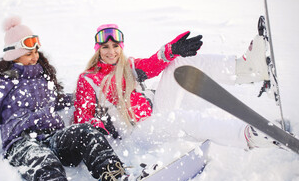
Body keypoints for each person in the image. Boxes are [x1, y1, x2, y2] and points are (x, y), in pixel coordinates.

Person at [0, 17, 135, 181]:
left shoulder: (43, 77)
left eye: (36, 51)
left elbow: (58, 100)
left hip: (53, 137)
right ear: (14, 56)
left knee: (86, 132)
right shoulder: (0, 84)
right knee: (44, 161)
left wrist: (90, 95)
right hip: (21, 143)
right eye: (28, 53)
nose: (35, 56)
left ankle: (116, 180)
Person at [73, 23, 278, 151]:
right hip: (137, 134)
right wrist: (104, 126)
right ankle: (247, 136)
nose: (111, 52)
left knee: (179, 63)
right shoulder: (88, 79)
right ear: (98, 49)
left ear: (121, 47)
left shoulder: (129, 67)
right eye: (105, 47)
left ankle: (247, 69)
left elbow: (154, 64)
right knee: (181, 119)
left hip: (155, 114)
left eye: (115, 46)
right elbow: (82, 119)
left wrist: (172, 49)